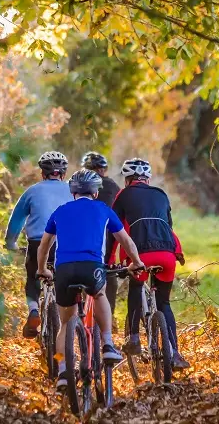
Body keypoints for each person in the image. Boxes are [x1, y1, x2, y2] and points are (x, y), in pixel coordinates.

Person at [36, 168, 145, 392]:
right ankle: (107, 343)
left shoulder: (60, 211)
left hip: (64, 270)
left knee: (65, 323)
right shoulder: (103, 209)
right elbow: (125, 239)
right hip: (92, 266)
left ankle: (64, 371)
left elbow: (44, 245)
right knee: (100, 293)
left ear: (73, 192)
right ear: (95, 192)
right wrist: (135, 261)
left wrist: (41, 269)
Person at [111, 157, 190, 370]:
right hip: (167, 253)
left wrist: (110, 263)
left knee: (136, 287)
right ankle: (174, 354)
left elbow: (113, 230)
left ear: (127, 179)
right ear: (147, 178)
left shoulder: (123, 194)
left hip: (141, 254)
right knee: (164, 303)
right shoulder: (161, 195)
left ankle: (134, 338)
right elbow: (169, 226)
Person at [5, 151, 72, 339]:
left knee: (33, 274)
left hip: (38, 242)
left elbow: (16, 220)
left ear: (42, 173)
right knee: (65, 278)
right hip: (66, 244)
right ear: (63, 173)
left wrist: (10, 243)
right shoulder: (72, 190)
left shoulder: (32, 191)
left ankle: (34, 309)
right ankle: (71, 315)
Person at [81, 151, 121, 319]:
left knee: (81, 274)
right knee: (109, 275)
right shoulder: (112, 185)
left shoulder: (76, 184)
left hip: (83, 239)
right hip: (110, 239)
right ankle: (108, 317)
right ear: (102, 170)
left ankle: (81, 313)